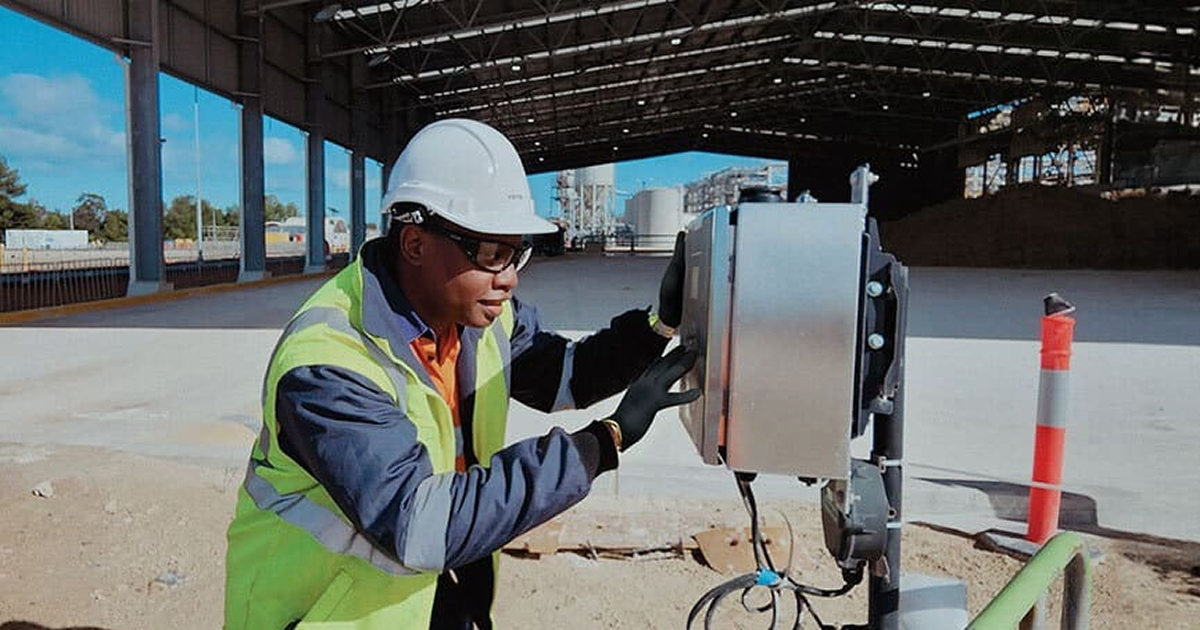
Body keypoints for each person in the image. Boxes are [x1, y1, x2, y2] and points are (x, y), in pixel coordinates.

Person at [224, 118, 698, 629]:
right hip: (328, 615)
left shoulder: (474, 320)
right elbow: (417, 523)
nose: (510, 277)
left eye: (518, 253)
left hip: (439, 597)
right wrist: (603, 442)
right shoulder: (329, 365)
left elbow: (563, 373)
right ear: (415, 244)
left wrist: (656, 326)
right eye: (492, 253)